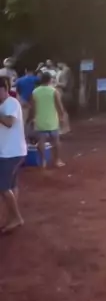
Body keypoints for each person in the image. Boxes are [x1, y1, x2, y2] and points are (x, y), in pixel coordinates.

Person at [0, 76, 26, 234]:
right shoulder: (4, 104)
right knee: (11, 186)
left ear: (5, 89)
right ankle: (12, 216)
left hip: (11, 153)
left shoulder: (11, 103)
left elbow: (9, 122)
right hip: (8, 151)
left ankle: (16, 217)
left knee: (3, 187)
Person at [31, 72, 66, 168]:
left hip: (40, 119)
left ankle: (43, 161)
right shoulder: (54, 91)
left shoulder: (35, 92)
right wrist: (62, 116)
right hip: (52, 120)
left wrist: (33, 118)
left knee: (41, 141)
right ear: (50, 80)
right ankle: (57, 160)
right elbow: (59, 106)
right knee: (56, 141)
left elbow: (33, 107)